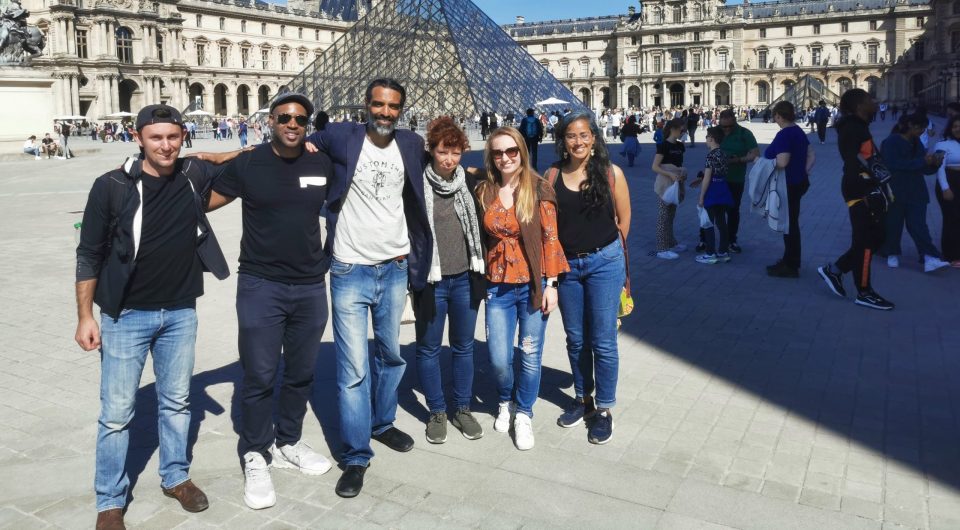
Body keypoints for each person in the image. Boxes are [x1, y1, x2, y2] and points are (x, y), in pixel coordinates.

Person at [75, 104, 231, 530]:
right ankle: (109, 500)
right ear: (138, 136)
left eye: (173, 137)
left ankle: (175, 476)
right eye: (156, 137)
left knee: (177, 402)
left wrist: (220, 156)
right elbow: (88, 253)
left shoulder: (192, 176)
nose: (165, 145)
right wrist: (85, 315)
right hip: (126, 315)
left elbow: (251, 161)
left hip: (180, 311)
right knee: (117, 413)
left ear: (184, 137)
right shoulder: (111, 186)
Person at [207, 93, 335, 510]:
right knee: (260, 374)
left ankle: (289, 441)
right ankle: (256, 452)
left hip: (311, 285)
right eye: (285, 117)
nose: (293, 123)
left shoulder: (321, 162)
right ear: (271, 121)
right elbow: (203, 200)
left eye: (300, 118)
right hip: (261, 285)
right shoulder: (249, 163)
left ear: (309, 124)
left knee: (301, 372)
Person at [306, 78, 431, 498]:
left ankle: (382, 422)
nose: (384, 112)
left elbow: (441, 164)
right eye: (378, 104)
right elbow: (302, 141)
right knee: (353, 368)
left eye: (392, 106)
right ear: (366, 105)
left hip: (394, 266)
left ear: (402, 109)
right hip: (348, 269)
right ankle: (356, 455)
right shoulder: (342, 134)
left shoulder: (411, 143)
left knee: (391, 356)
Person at [475, 126, 568, 451]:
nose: (505, 158)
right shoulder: (484, 191)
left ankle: (524, 412)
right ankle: (505, 401)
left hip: (532, 286)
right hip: (497, 288)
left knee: (529, 355)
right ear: (491, 156)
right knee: (499, 358)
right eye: (498, 152)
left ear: (522, 152)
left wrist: (552, 284)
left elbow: (551, 239)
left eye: (511, 151)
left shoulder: (539, 189)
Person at [547, 112, 629, 445]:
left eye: (584, 135)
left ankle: (605, 409)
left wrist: (609, 257)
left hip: (604, 263)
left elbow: (624, 222)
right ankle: (584, 400)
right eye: (571, 136)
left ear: (593, 138)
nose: (578, 141)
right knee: (576, 338)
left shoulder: (612, 174)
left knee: (604, 340)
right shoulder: (551, 175)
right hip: (568, 267)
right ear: (563, 141)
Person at [412, 117, 487, 444]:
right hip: (431, 281)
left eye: (456, 152)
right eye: (443, 151)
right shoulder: (415, 185)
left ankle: (462, 407)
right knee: (428, 348)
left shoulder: (468, 184)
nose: (449, 159)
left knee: (463, 347)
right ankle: (437, 411)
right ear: (431, 150)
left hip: (464, 279)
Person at [817, 89, 896, 310]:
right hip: (860, 189)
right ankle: (864, 291)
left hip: (865, 187)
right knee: (867, 241)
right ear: (860, 105)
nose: (875, 102)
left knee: (875, 238)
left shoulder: (858, 126)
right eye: (870, 100)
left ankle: (835, 270)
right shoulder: (853, 128)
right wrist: (866, 190)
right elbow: (853, 161)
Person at [879, 114, 949, 272]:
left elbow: (923, 168)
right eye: (920, 127)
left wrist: (934, 165)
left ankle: (929, 257)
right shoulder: (891, 141)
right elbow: (892, 165)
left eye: (924, 128)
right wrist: (922, 161)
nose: (922, 131)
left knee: (919, 225)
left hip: (916, 190)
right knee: (894, 223)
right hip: (895, 189)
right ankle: (892, 253)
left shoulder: (916, 142)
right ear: (910, 125)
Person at [764, 101, 815, 278]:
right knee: (791, 223)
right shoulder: (798, 131)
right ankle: (789, 260)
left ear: (778, 115)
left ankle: (791, 265)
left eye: (775, 116)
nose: (774, 119)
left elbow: (783, 161)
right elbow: (811, 155)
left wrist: (763, 164)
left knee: (789, 225)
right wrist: (804, 171)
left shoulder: (785, 134)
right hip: (799, 182)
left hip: (787, 184)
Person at [718, 109, 759, 253]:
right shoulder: (716, 131)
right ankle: (705, 239)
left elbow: (755, 154)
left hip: (735, 178)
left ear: (735, 122)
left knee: (733, 210)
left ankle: (731, 240)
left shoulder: (744, 133)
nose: (727, 130)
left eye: (730, 126)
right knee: (713, 209)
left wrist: (739, 159)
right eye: (724, 127)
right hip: (716, 178)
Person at [692, 126, 734, 264]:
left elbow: (708, 177)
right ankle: (723, 251)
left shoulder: (710, 155)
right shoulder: (723, 153)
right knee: (722, 221)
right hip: (723, 188)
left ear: (712, 138)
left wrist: (701, 197)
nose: (705, 140)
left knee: (708, 222)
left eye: (706, 137)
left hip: (712, 190)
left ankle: (710, 253)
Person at [651, 118, 688, 260]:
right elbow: (655, 166)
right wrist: (670, 174)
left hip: (676, 183)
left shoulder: (680, 146)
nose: (683, 132)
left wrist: (681, 174)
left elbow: (679, 164)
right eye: (682, 130)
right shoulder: (663, 146)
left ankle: (671, 243)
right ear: (673, 129)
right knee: (663, 216)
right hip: (665, 183)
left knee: (671, 215)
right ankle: (661, 248)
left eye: (684, 130)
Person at [933, 116, 960, 267]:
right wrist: (945, 188)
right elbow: (940, 168)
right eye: (955, 126)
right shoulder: (942, 144)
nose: (958, 129)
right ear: (950, 128)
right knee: (952, 219)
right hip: (950, 182)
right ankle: (951, 255)